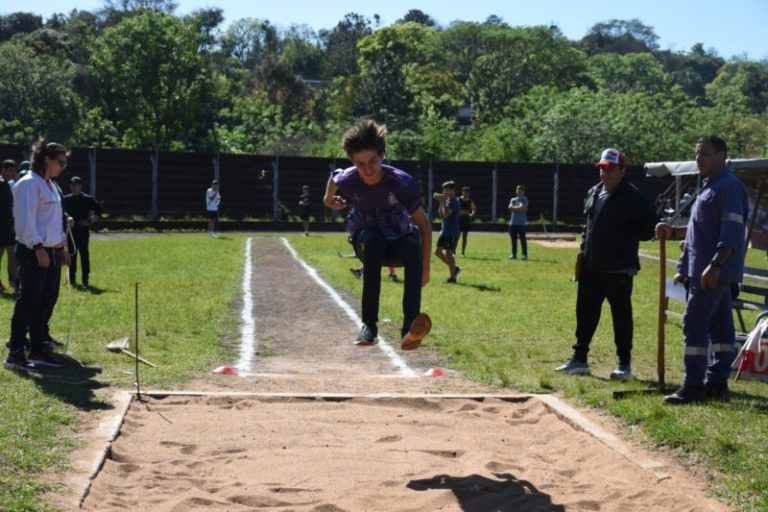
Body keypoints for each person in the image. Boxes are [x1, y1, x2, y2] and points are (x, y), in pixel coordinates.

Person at [324, 118, 432, 350]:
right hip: (368, 240)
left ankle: (409, 329)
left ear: (382, 155)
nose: (368, 168)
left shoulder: (401, 183)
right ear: (353, 162)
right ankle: (369, 326)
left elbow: (425, 225)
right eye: (360, 164)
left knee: (413, 241)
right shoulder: (350, 178)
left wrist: (425, 269)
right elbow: (335, 177)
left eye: (373, 161)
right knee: (373, 240)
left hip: (398, 239)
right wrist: (328, 200)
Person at [656, 136, 749, 404]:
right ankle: (717, 383)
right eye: (697, 154)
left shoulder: (728, 187)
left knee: (694, 324)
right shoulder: (710, 186)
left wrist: (715, 265)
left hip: (712, 273)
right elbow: (701, 229)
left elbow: (731, 232)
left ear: (721, 156)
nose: (699, 159)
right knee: (721, 331)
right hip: (703, 270)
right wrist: (673, 231)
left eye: (705, 154)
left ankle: (693, 386)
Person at [555, 148, 657, 380]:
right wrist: (584, 249)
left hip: (619, 268)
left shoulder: (633, 197)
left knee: (621, 315)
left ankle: (624, 364)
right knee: (585, 313)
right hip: (591, 265)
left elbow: (649, 227)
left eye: (610, 169)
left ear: (622, 169)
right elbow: (588, 225)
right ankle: (579, 359)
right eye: (602, 168)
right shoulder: (593, 192)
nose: (605, 173)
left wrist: (626, 237)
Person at [4, 140, 71, 370]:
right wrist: (38, 247)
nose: (62, 166)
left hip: (51, 250)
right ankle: (15, 352)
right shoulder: (29, 184)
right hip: (34, 251)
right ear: (46, 159)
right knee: (29, 300)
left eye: (65, 162)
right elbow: (24, 221)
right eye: (59, 162)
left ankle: (38, 350)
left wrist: (61, 246)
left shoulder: (49, 184)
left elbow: (53, 221)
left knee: (46, 300)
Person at [63, 176, 102, 287]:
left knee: (84, 255)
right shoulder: (66, 199)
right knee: (71, 254)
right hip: (70, 232)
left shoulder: (88, 199)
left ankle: (85, 279)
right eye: (72, 185)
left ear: (81, 186)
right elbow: (61, 213)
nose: (74, 187)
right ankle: (71, 278)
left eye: (76, 185)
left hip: (83, 232)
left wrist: (89, 221)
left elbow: (99, 211)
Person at [434, 181, 461, 283]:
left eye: (446, 190)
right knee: (438, 252)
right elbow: (440, 214)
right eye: (443, 190)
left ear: (452, 190)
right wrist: (442, 202)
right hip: (444, 231)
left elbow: (446, 214)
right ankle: (455, 269)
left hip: (452, 232)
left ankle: (452, 277)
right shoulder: (448, 200)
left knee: (449, 254)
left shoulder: (454, 201)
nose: (444, 191)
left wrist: (444, 201)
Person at [1, 160, 20, 292]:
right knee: (7, 253)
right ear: (4, 169)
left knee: (10, 254)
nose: (14, 173)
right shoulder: (1, 184)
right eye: (11, 170)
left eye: (15, 171)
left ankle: (17, 283)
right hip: (2, 225)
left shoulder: (9, 184)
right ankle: (18, 283)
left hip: (8, 225)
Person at [508, 184, 529, 260]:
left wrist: (515, 209)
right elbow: (510, 207)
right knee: (513, 240)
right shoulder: (513, 199)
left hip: (521, 224)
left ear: (523, 192)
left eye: (520, 191)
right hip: (513, 223)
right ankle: (513, 254)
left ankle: (524, 254)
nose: (518, 192)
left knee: (523, 240)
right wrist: (518, 208)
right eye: (517, 190)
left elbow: (524, 209)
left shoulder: (525, 199)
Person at [458, 186, 477, 257]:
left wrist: (472, 214)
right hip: (459, 219)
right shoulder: (458, 200)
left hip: (466, 219)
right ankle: (453, 251)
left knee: (464, 237)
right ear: (462, 192)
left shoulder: (470, 201)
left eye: (467, 192)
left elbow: (474, 209)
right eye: (464, 192)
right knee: (457, 236)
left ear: (469, 193)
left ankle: (462, 252)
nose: (466, 193)